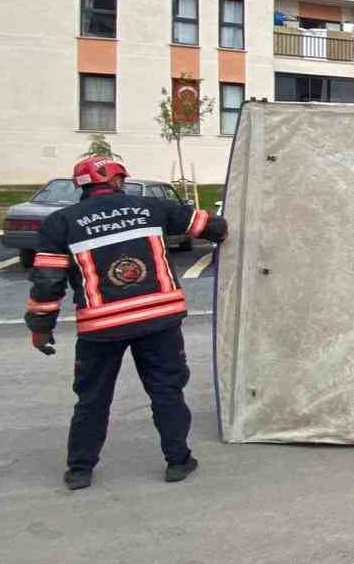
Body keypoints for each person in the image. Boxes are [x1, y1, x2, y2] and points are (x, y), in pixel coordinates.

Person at [25, 155, 228, 490]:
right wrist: (221, 230)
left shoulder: (60, 222)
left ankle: (80, 471)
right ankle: (178, 461)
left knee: (92, 398)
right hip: (158, 319)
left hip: (101, 327)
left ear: (83, 187)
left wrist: (40, 327)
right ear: (118, 181)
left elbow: (48, 281)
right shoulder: (151, 207)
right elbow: (211, 227)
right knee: (166, 391)